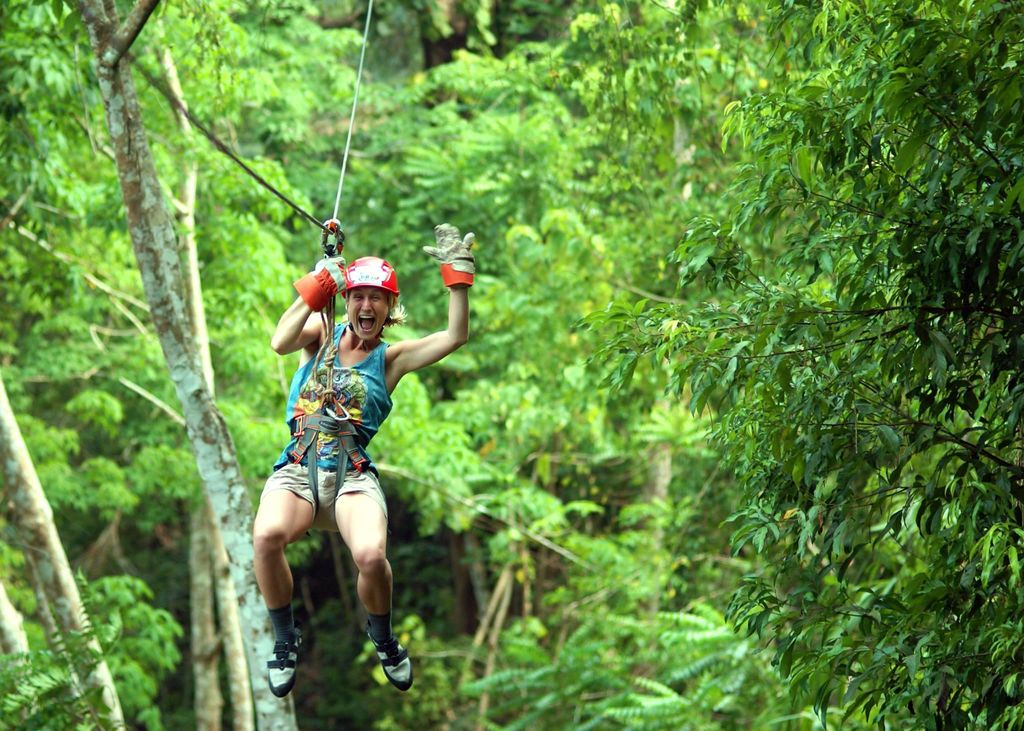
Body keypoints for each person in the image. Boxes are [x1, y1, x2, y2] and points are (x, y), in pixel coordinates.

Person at [253, 223, 476, 697]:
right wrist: (317, 288)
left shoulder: (390, 359)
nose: (366, 307)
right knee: (267, 536)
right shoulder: (321, 332)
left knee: (372, 556)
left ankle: (384, 639)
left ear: (390, 308)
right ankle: (285, 638)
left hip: (352, 475)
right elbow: (279, 340)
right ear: (348, 300)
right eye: (358, 297)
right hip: (299, 465)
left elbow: (456, 335)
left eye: (377, 298)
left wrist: (457, 275)